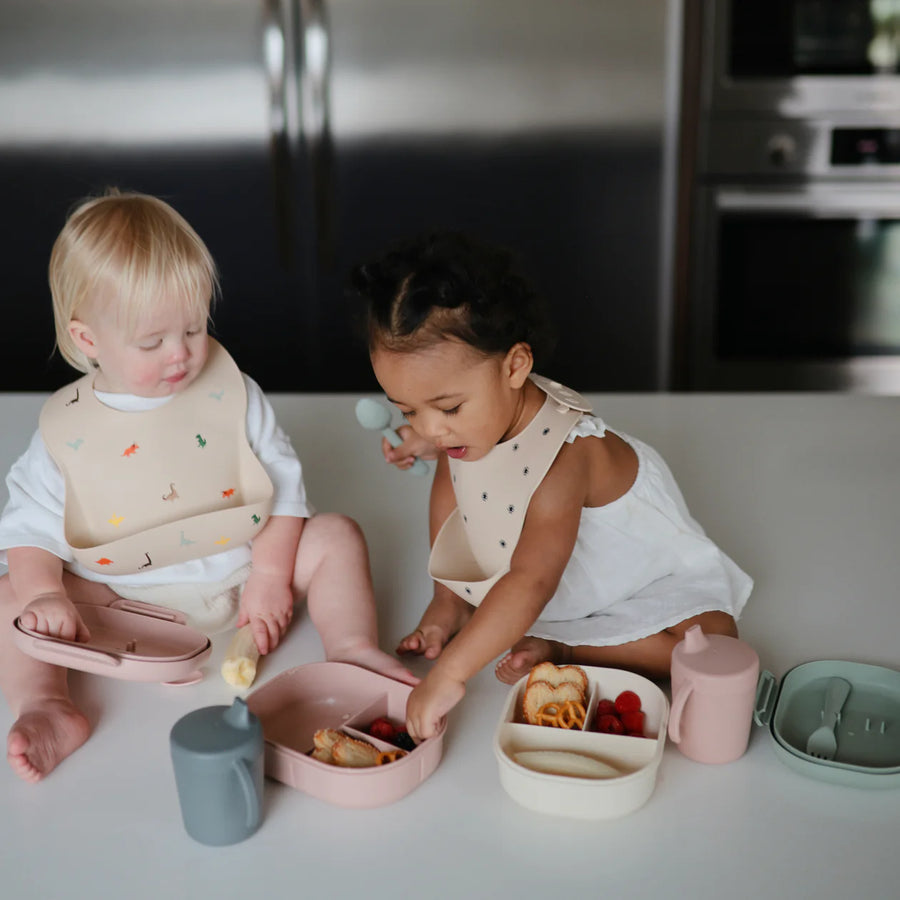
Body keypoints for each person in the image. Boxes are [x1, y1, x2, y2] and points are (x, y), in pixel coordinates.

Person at [0, 190, 414, 783]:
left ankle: (349, 650)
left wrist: (270, 577)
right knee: (10, 593)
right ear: (88, 340)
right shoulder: (68, 433)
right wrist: (45, 594)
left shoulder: (230, 394)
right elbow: (28, 527)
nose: (181, 354)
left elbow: (284, 492)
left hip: (236, 582)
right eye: (152, 342)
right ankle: (48, 705)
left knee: (335, 535)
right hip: (115, 607)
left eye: (194, 328)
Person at [350, 232, 753, 741]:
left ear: (516, 366)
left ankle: (567, 650)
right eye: (408, 409)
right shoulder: (475, 421)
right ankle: (449, 597)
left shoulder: (567, 457)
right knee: (456, 460)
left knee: (712, 645)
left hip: (619, 576)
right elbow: (450, 444)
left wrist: (452, 671)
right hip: (540, 567)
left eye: (448, 408)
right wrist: (423, 438)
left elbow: (531, 582)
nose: (430, 426)